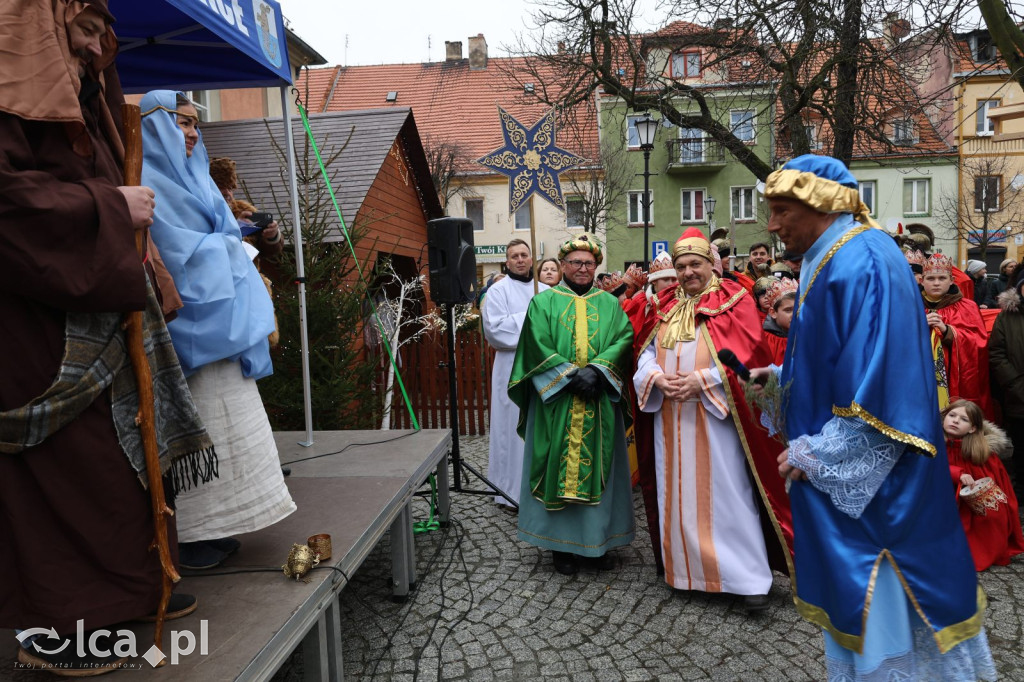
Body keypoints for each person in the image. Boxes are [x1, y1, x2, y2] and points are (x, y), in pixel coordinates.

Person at [0, 2, 212, 673]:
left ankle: (130, 590)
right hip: (32, 317)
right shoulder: (11, 88)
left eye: (102, 31)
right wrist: (108, 209)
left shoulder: (83, 87)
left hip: (96, 295)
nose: (100, 47)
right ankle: (56, 619)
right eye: (85, 30)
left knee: (123, 438)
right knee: (62, 459)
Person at [757, 154, 994, 680]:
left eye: (779, 210)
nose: (772, 225)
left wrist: (823, 451)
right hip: (863, 494)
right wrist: (778, 380)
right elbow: (837, 357)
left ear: (817, 204)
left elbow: (884, 381)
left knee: (887, 613)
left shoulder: (862, 257)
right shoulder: (832, 254)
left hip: (882, 495)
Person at [140, 90, 296, 570]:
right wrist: (231, 246)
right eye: (181, 124)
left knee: (233, 426)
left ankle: (222, 524)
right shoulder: (147, 181)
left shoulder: (197, 179)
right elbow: (174, 252)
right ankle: (188, 535)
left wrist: (240, 239)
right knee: (200, 426)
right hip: (191, 331)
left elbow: (224, 234)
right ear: (154, 127)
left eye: (194, 125)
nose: (191, 134)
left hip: (223, 323)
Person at [633, 228, 791, 611]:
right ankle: (688, 573)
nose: (688, 273)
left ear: (711, 265)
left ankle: (746, 579)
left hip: (718, 416)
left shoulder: (734, 302)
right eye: (682, 265)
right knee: (678, 493)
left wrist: (702, 380)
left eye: (696, 264)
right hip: (670, 416)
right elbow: (644, 352)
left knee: (727, 495)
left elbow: (748, 360)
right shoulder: (665, 305)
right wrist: (655, 377)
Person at [508, 235, 635, 575]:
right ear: (562, 266)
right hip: (557, 402)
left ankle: (597, 541)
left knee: (602, 469)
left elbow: (624, 339)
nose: (582, 268)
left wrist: (597, 371)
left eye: (589, 263)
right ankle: (559, 546)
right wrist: (568, 376)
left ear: (596, 267)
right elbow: (535, 343)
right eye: (576, 263)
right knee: (554, 466)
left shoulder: (610, 304)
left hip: (599, 399)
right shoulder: (543, 303)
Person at [482, 239, 547, 507]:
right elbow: (495, 331)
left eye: (524, 254)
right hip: (510, 368)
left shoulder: (545, 291)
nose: (520, 260)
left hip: (542, 367)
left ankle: (538, 487)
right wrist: (532, 318)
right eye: (514, 256)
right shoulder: (498, 292)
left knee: (539, 428)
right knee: (510, 430)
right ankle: (508, 491)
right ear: (506, 262)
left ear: (532, 259)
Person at [941, 400, 1024, 571]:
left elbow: (997, 489)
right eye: (952, 415)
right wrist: (957, 473)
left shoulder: (980, 453)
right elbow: (926, 467)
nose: (955, 421)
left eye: (964, 419)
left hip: (969, 510)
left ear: (973, 428)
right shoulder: (932, 444)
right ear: (943, 418)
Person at [920, 253, 991, 412]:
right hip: (918, 377)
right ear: (922, 281)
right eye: (931, 279)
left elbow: (979, 343)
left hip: (954, 382)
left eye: (942, 278)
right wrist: (918, 328)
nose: (936, 283)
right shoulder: (909, 306)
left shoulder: (968, 307)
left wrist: (948, 332)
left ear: (952, 280)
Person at [210, 156, 284, 260]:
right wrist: (237, 228)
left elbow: (268, 251)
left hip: (249, 274)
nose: (227, 193)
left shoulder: (242, 210)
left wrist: (272, 236)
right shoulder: (200, 214)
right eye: (221, 187)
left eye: (230, 188)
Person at [990, 276, 1024, 498]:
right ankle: (1020, 487)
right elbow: (996, 353)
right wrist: (1015, 383)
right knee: (1021, 444)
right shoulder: (1007, 317)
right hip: (1019, 393)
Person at [761, 277, 798, 366]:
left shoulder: (808, 334)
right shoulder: (764, 340)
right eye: (788, 310)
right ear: (773, 312)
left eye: (798, 309)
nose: (795, 315)